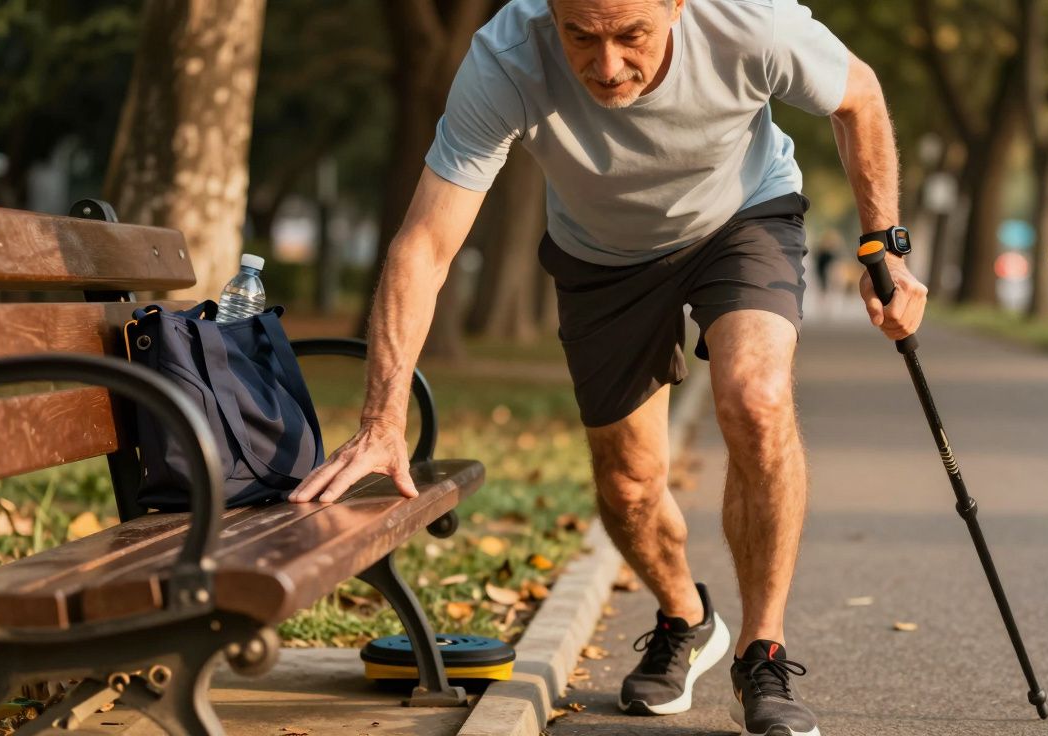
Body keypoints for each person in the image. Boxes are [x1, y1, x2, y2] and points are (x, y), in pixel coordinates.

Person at [289, 1, 928, 734]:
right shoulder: (506, 58)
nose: (608, 66)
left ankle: (763, 651)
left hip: (741, 218)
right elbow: (424, 246)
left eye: (632, 36)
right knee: (627, 484)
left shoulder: (751, 25)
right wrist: (380, 422)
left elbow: (861, 95)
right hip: (602, 257)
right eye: (581, 37)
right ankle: (685, 618)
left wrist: (883, 243)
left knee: (756, 397)